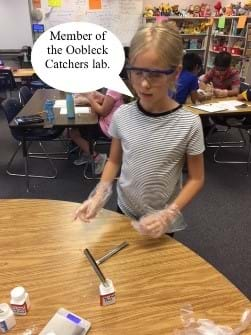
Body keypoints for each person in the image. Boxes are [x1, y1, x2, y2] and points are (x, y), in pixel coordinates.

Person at [74, 22, 205, 239]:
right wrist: (99, 195)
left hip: (161, 221)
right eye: (137, 72)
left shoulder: (189, 124)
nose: (144, 84)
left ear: (175, 73)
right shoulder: (122, 115)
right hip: (124, 209)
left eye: (155, 75)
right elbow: (114, 161)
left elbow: (197, 178)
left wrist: (168, 214)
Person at [70, 89, 124, 175]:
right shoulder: (114, 89)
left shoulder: (113, 90)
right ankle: (87, 152)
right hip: (110, 123)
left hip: (108, 127)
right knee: (81, 123)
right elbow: (105, 101)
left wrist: (89, 98)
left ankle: (97, 157)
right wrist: (95, 96)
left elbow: (103, 112)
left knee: (74, 133)